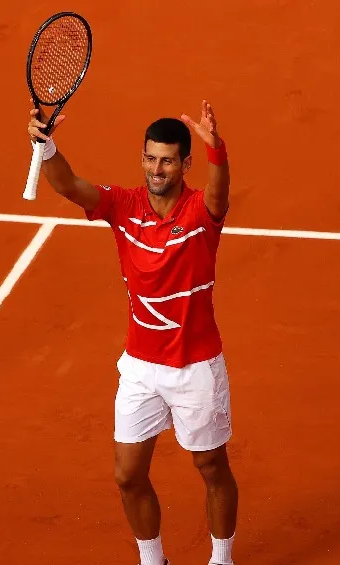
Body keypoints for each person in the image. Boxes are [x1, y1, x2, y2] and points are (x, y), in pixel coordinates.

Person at [26, 100, 238, 565]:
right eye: (149, 157)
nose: (155, 168)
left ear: (185, 164)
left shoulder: (201, 214)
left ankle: (222, 559)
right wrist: (46, 145)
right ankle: (152, 559)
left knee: (211, 466)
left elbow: (220, 195)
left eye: (166, 160)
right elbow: (69, 185)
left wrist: (217, 150)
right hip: (141, 368)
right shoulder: (123, 205)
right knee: (127, 475)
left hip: (195, 366)